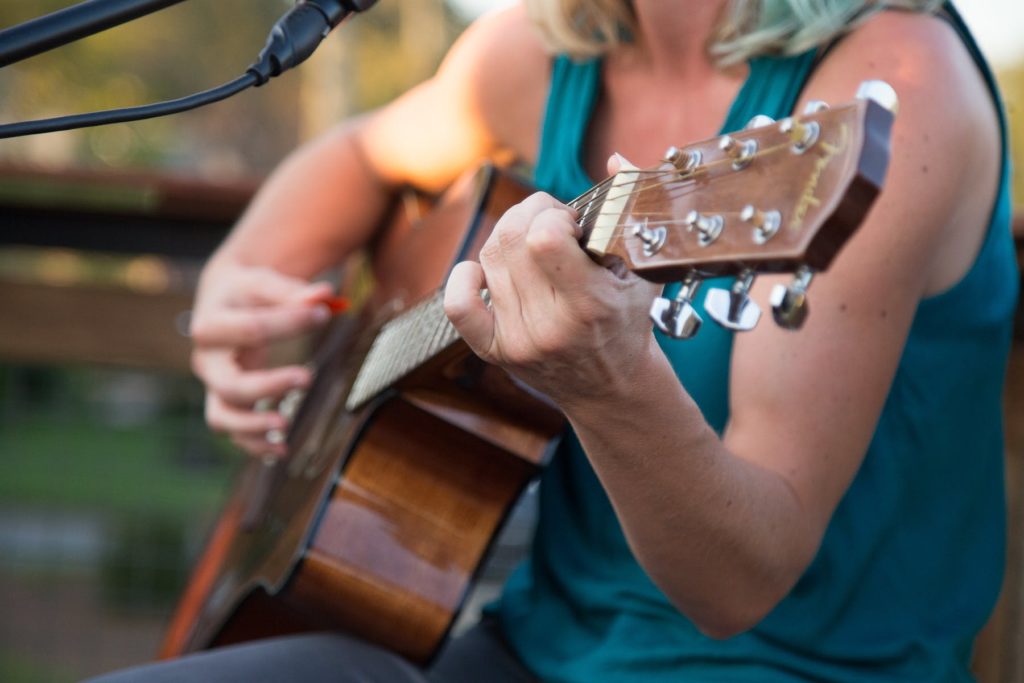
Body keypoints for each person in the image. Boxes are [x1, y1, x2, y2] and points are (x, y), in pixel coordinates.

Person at [87, 0, 1017, 681]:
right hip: (533, 649)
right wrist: (240, 279)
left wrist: (608, 381)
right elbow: (365, 153)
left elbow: (740, 583)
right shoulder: (538, 51)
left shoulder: (894, 88)